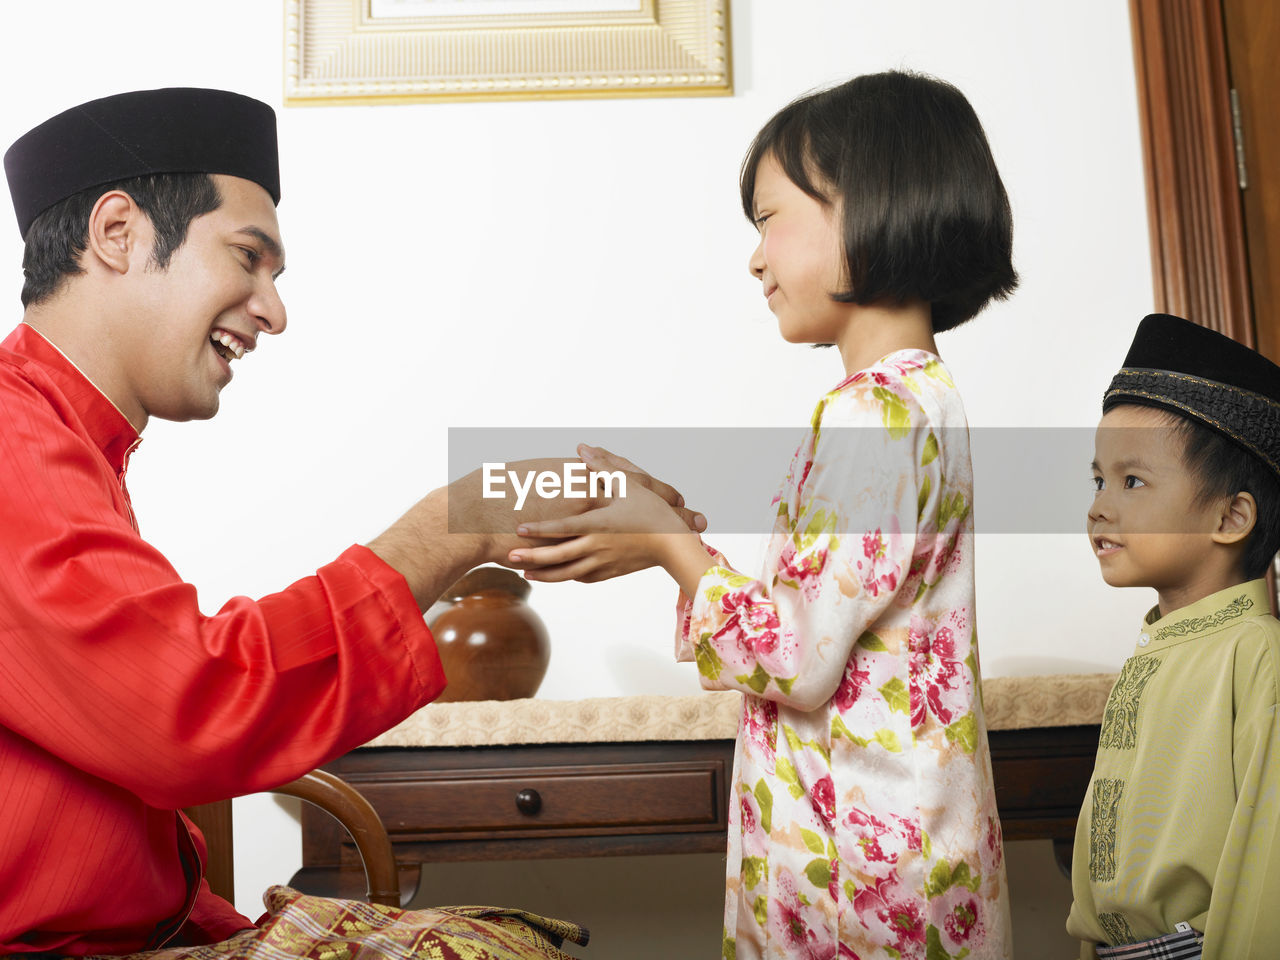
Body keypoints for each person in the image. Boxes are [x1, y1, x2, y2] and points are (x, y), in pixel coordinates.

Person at [0, 86, 697, 957]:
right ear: (118, 233)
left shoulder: (65, 442)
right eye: (248, 257)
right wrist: (464, 520)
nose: (274, 311)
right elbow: (192, 702)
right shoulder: (12, 442)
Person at [508, 71, 1017, 959]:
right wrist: (667, 531)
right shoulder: (912, 402)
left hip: (859, 868)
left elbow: (795, 654)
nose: (754, 258)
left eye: (769, 219)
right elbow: (826, 614)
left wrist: (668, 544)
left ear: (869, 208)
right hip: (878, 838)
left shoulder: (875, 416)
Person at [1066, 313, 1280, 960]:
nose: (1100, 506)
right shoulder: (1153, 656)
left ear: (1230, 515)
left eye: (1133, 481)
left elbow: (1265, 872)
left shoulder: (1258, 656)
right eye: (1098, 479)